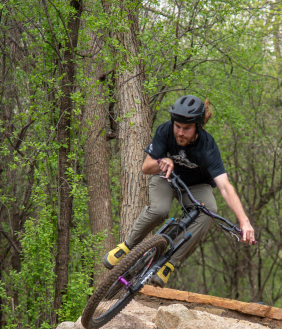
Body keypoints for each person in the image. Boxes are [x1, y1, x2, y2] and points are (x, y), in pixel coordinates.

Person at [103, 95, 256, 286]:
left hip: (195, 186)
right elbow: (146, 167)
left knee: (209, 210)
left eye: (187, 128)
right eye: (178, 126)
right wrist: (161, 162)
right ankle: (125, 247)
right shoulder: (165, 131)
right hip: (166, 179)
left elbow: (225, 186)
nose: (180, 133)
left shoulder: (208, 146)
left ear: (198, 127)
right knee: (160, 210)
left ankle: (170, 263)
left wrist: (244, 222)